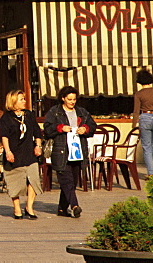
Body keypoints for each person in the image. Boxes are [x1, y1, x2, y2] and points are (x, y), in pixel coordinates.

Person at [44, 86, 97, 218]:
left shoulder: (81, 112)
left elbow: (93, 125)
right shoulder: (55, 112)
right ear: (63, 99)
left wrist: (85, 128)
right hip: (61, 151)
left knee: (71, 181)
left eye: (74, 99)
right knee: (66, 179)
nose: (72, 102)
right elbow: (47, 129)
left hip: (77, 151)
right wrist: (60, 128)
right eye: (69, 99)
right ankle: (74, 205)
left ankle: (62, 208)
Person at [0, 89, 44, 219]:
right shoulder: (6, 118)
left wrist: (38, 146)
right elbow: (5, 136)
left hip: (29, 152)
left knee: (33, 179)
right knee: (15, 181)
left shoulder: (29, 115)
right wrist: (8, 152)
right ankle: (17, 207)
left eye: (24, 98)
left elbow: (37, 132)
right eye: (21, 99)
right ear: (13, 101)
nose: (24, 101)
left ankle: (29, 206)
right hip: (14, 152)